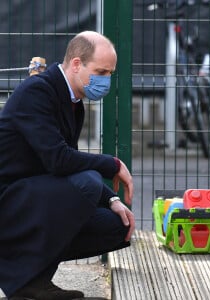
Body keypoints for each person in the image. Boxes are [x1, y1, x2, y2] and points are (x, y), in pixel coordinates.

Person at [0, 31, 135, 299]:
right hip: (8, 201)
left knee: (116, 226)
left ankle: (35, 279)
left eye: (110, 73)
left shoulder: (73, 102)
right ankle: (24, 279)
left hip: (32, 197)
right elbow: (58, 159)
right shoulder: (37, 91)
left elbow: (67, 161)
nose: (106, 80)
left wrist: (111, 201)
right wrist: (112, 164)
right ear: (76, 64)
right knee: (89, 182)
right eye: (101, 71)